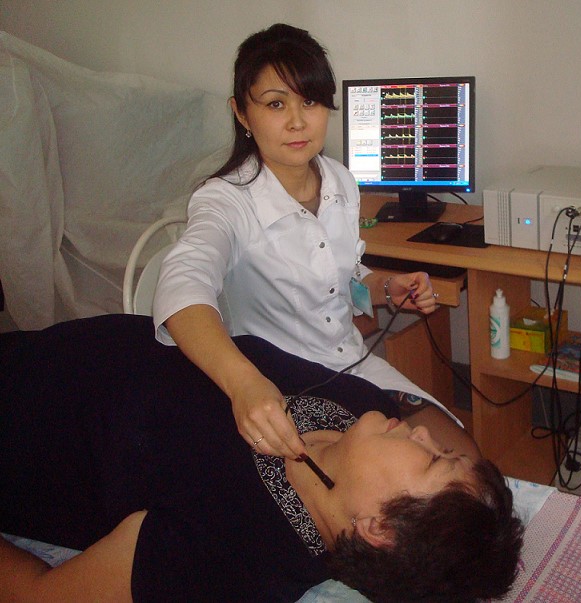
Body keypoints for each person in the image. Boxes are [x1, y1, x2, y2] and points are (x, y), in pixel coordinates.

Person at [0, 314, 523, 603]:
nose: (424, 437)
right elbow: (422, 416)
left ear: (378, 527)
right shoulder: (363, 415)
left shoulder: (235, 562)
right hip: (31, 346)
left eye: (433, 460)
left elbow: (37, 596)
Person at [151, 23, 474, 464]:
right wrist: (243, 383)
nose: (298, 121)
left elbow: (344, 272)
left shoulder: (340, 180)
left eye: (310, 101)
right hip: (284, 387)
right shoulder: (226, 201)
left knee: (462, 458)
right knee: (413, 477)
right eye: (276, 104)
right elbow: (182, 283)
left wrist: (385, 287)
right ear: (242, 114)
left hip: (354, 364)